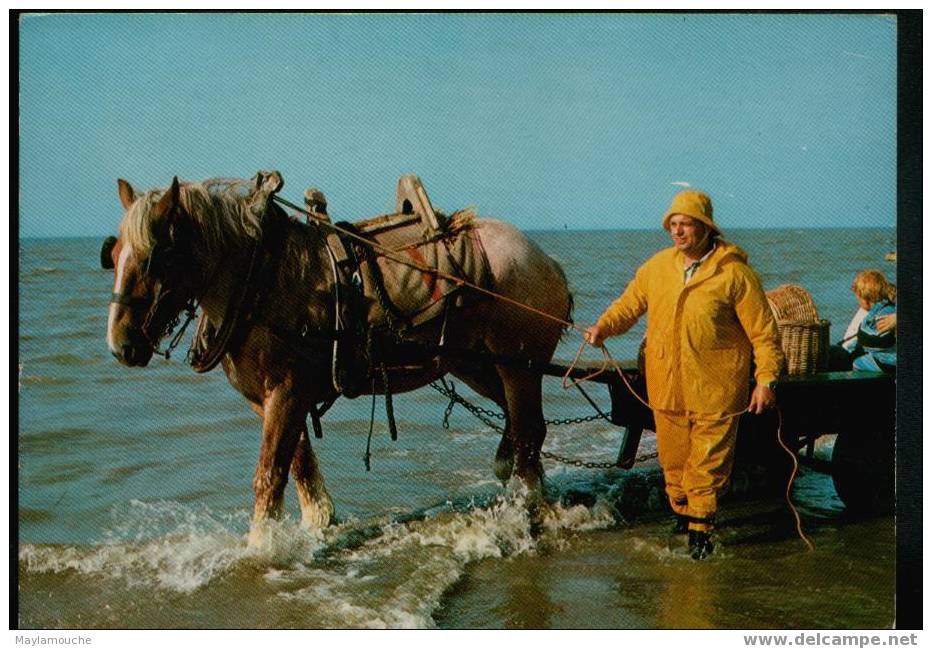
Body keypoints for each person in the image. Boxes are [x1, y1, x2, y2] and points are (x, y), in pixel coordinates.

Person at [585, 190, 784, 560]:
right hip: (666, 384)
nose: (677, 232)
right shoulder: (657, 267)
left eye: (686, 225)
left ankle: (701, 537)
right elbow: (629, 305)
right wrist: (604, 328)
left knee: (706, 466)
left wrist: (766, 380)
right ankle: (684, 516)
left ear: (706, 228)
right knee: (673, 462)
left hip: (718, 386)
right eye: (673, 225)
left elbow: (764, 333)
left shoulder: (735, 274)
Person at [831, 270, 896, 372]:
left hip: (886, 361)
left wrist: (861, 338)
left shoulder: (879, 314)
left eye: (858, 298)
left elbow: (881, 340)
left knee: (856, 363)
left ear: (865, 300)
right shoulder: (889, 308)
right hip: (887, 358)